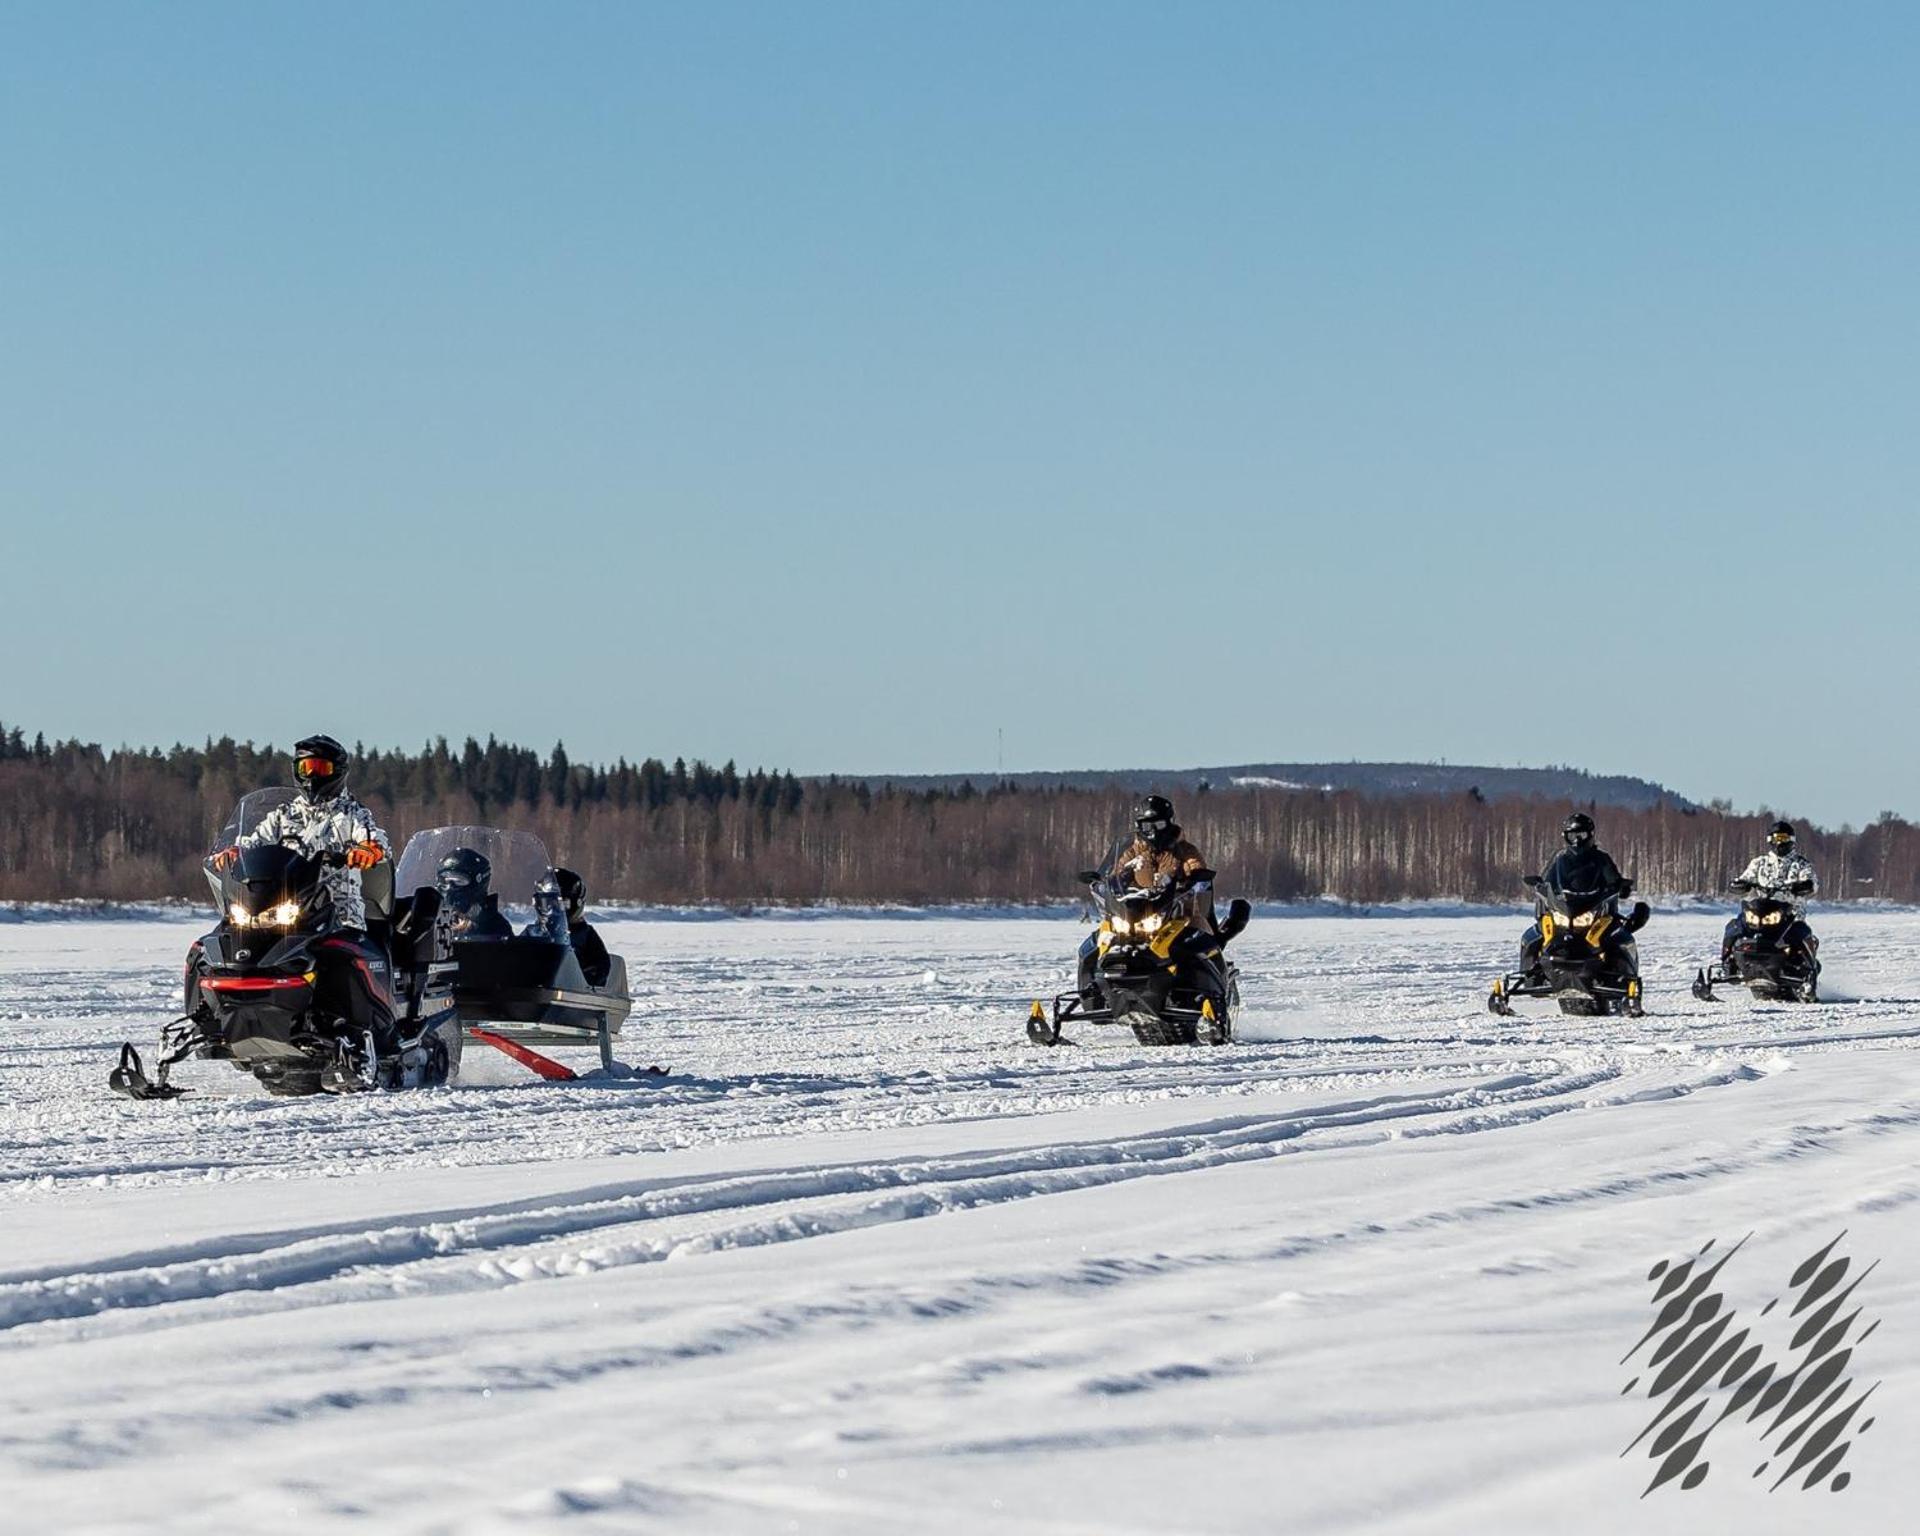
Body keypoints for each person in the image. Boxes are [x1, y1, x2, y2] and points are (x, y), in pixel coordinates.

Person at [213, 734, 390, 932]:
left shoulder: (352, 813)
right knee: (228, 936)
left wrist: (368, 850)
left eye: (320, 768)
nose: (312, 775)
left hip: (338, 912)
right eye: (305, 768)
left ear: (337, 772)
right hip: (284, 906)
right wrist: (236, 852)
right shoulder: (284, 814)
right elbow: (257, 840)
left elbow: (372, 837)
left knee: (339, 950)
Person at [1518, 812, 1636, 979]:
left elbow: (1613, 879)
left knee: (1618, 937)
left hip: (1594, 908)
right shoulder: (1559, 859)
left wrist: (1620, 886)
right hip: (1565, 906)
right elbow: (1548, 878)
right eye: (1572, 835)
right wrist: (1540, 886)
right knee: (1533, 935)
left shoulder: (1601, 859)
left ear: (1590, 835)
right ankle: (1530, 974)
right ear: (1565, 836)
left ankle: (1623, 977)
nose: (1577, 840)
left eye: (1581, 835)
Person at [1723, 821, 1818, 972]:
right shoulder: (1759, 863)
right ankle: (1728, 963)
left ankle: (1805, 969)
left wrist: (1802, 886)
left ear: (1791, 840)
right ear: (1770, 840)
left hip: (1789, 914)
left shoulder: (1801, 864)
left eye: (1782, 838)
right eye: (1776, 838)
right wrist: (1740, 885)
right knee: (1735, 925)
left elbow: (1811, 883)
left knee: (1800, 931)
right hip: (1759, 910)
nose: (1779, 842)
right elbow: (1745, 877)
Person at [436, 848, 515, 941]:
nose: (450, 888)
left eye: (459, 880)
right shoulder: (435, 921)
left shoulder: (495, 927)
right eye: (445, 881)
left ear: (478, 883)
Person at [552, 867, 612, 986]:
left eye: (562, 905)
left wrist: (587, 976)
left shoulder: (585, 934)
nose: (554, 910)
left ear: (576, 903)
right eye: (546, 904)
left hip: (573, 992)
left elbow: (601, 965)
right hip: (534, 991)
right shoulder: (535, 932)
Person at [522, 871, 572, 946]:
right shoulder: (532, 933)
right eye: (547, 904)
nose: (553, 910)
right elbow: (514, 952)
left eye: (557, 904)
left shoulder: (579, 935)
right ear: (537, 904)